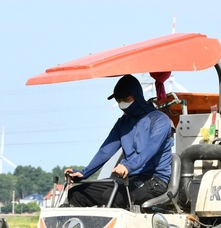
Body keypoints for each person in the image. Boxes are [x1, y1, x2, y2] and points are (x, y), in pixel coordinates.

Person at [64, 74, 173, 208]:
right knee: (76, 194)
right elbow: (106, 149)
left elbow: (150, 149)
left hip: (154, 180)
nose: (122, 104)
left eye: (125, 99)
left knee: (110, 196)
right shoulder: (122, 123)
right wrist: (84, 173)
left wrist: (129, 165)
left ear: (137, 96)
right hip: (127, 179)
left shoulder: (159, 120)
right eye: (119, 100)